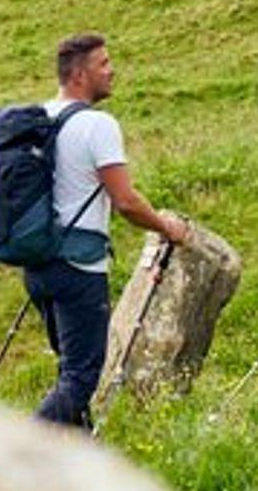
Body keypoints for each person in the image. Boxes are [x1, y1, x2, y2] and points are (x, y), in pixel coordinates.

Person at [29, 32, 190, 428]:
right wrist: (167, 227)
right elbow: (126, 201)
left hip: (37, 261)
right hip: (79, 265)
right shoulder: (97, 125)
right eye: (103, 63)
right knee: (81, 378)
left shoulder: (38, 118)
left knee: (70, 369)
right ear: (80, 75)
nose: (112, 70)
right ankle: (17, 449)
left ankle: (79, 459)